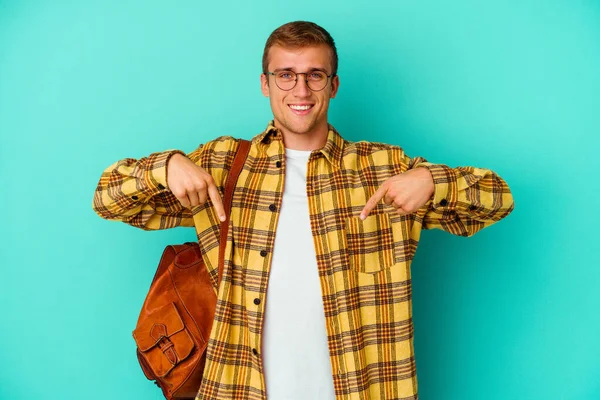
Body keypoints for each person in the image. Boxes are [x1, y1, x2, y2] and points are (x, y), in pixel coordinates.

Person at [93, 20, 514, 400]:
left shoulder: (382, 168)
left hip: (365, 388)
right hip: (239, 387)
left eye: (314, 75)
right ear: (265, 83)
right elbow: (107, 198)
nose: (300, 90)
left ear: (333, 85)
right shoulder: (224, 166)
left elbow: (498, 199)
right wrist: (164, 166)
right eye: (286, 75)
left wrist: (433, 181)